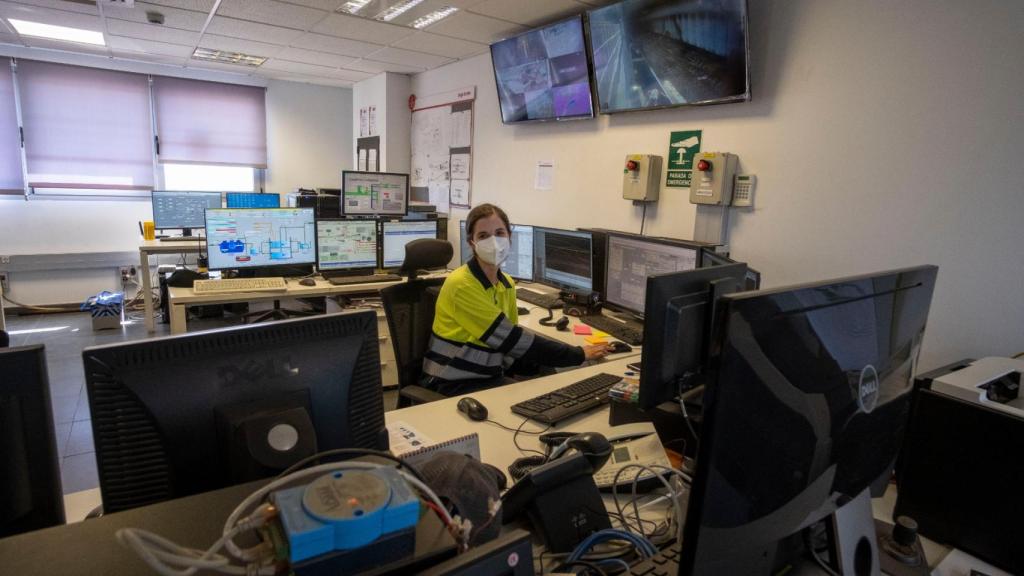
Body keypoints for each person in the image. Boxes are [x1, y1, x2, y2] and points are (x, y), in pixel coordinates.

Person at [423, 203, 610, 395]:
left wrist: (548, 363)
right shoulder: (462, 284)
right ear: (472, 242)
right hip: (454, 381)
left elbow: (510, 347)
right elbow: (512, 340)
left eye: (499, 233)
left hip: (489, 375)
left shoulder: (506, 284)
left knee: (557, 389)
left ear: (509, 237)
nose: (494, 242)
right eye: (483, 236)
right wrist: (577, 354)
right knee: (546, 393)